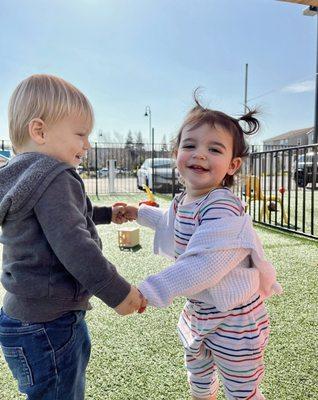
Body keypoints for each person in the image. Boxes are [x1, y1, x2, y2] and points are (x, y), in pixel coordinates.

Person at [126, 95, 282, 400]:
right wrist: (138, 212)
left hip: (235, 320)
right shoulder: (187, 200)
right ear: (176, 153)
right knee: (199, 378)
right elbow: (172, 225)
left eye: (214, 149)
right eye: (190, 145)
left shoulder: (224, 209)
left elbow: (203, 265)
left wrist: (148, 290)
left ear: (232, 165)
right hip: (200, 312)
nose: (200, 154)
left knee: (241, 390)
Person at [0, 74, 146, 400]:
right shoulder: (54, 175)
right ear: (39, 131)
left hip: (19, 319)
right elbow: (74, 243)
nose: (88, 144)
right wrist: (119, 293)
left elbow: (62, 216)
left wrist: (108, 214)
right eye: (81, 134)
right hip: (50, 325)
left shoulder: (23, 175)